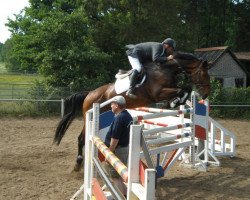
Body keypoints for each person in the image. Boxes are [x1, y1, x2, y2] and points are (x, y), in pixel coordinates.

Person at [104, 95, 133, 197]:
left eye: (112, 104)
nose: (111, 106)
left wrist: (109, 154)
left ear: (116, 105)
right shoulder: (127, 115)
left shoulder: (119, 118)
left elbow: (115, 139)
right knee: (120, 176)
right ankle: (125, 195)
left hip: (118, 150)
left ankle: (120, 197)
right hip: (124, 148)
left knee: (115, 177)